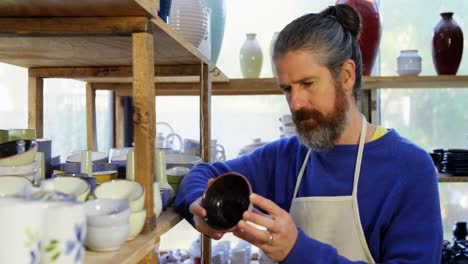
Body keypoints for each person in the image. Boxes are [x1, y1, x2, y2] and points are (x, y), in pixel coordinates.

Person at [174, 4, 443, 263]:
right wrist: (198, 205)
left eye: (307, 84)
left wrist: (295, 250)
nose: (296, 103)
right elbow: (200, 174)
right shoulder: (284, 158)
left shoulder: (410, 169)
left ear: (346, 76)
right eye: (287, 89)